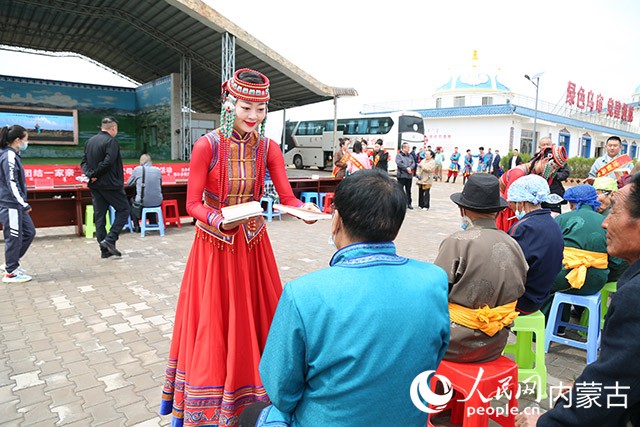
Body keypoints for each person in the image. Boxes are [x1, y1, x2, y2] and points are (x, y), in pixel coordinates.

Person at [159, 68, 319, 426]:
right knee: (215, 322)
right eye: (247, 106)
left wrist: (301, 211)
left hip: (253, 245)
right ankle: (215, 398)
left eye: (261, 109)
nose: (254, 116)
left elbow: (287, 196)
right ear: (229, 104)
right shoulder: (207, 145)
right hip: (215, 246)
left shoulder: (268, 147)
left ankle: (263, 389)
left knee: (259, 317)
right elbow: (193, 204)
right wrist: (219, 220)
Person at [239, 169, 450, 427]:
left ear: (336, 220)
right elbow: (435, 354)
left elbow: (281, 392)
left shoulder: (304, 293)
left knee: (251, 414)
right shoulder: (433, 280)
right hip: (406, 418)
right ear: (396, 226)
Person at [515, 173, 640, 426]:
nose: (606, 223)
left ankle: (549, 331)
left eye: (615, 211)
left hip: (571, 277)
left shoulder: (634, 298)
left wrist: (544, 422)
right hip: (598, 280)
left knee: (548, 291)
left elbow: (610, 386)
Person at [434, 174, 527, 363]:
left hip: (455, 343)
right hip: (496, 342)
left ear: (462, 209)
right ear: (497, 212)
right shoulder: (513, 244)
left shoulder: (456, 242)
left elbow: (435, 291)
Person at [540, 185, 621, 325]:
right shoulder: (607, 221)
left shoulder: (563, 219)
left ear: (572, 202)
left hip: (564, 276)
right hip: (596, 281)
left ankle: (551, 327)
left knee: (548, 282)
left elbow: (549, 249)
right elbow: (617, 261)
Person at [506, 175, 565, 314]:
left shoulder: (522, 228)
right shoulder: (553, 223)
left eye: (513, 203)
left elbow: (506, 268)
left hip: (521, 301)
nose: (512, 207)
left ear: (522, 202)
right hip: (540, 296)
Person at [80, 117, 130, 258]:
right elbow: (109, 162)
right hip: (110, 184)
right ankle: (110, 239)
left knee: (100, 216)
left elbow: (83, 162)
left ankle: (104, 250)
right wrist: (95, 174)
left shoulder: (89, 141)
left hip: (95, 185)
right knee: (124, 209)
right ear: (113, 128)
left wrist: (91, 174)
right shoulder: (111, 141)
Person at [496, 145, 568, 232]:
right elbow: (510, 201)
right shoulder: (519, 173)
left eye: (555, 169)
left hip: (522, 208)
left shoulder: (538, 175)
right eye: (553, 167)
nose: (552, 171)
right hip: (508, 209)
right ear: (545, 160)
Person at [0, 125, 35, 283]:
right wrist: (23, 203)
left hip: (16, 204)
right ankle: (10, 272)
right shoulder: (9, 156)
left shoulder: (13, 154)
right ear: (17, 140)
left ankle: (11, 263)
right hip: (10, 204)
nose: (27, 142)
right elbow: (11, 182)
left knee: (29, 232)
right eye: (26, 139)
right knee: (13, 237)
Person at [126, 153, 163, 233]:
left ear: (141, 161)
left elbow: (129, 183)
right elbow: (160, 183)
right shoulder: (157, 170)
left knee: (133, 201)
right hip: (158, 202)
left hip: (143, 202)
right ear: (150, 161)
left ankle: (136, 226)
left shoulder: (137, 169)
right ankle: (153, 222)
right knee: (151, 198)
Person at [537, 138, 569, 214]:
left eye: (548, 144)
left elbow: (565, 173)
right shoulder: (536, 159)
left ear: (552, 145)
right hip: (538, 194)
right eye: (543, 145)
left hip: (554, 192)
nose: (546, 146)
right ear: (539, 147)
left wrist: (553, 174)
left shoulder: (559, 158)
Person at [395, 142, 415, 209]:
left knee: (408, 190)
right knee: (400, 190)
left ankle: (409, 203)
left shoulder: (410, 156)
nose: (409, 149)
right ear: (403, 148)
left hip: (409, 176)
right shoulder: (399, 156)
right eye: (407, 147)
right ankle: (399, 203)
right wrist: (406, 168)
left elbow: (413, 163)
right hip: (401, 176)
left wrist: (410, 168)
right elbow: (399, 163)